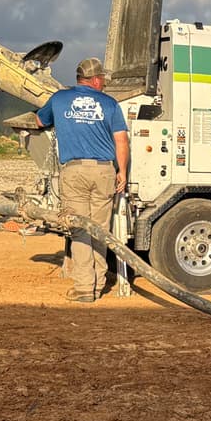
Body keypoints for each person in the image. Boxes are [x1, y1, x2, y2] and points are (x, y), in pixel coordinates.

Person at [37, 57, 130, 302]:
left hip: (74, 172)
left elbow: (39, 120)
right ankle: (98, 284)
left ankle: (84, 289)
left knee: (79, 230)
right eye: (103, 80)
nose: (104, 84)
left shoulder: (59, 99)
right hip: (103, 172)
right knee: (100, 230)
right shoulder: (110, 104)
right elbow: (121, 140)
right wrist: (122, 172)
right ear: (96, 79)